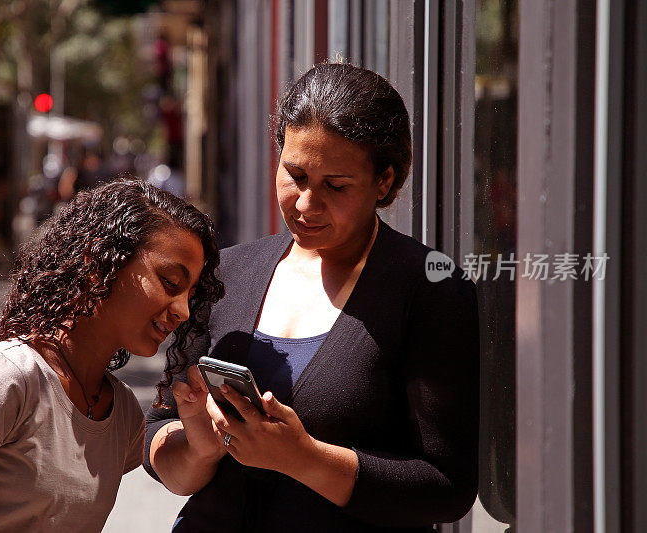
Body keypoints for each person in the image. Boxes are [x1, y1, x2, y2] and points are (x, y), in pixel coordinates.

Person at [144, 62, 480, 532]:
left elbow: (446, 488)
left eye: (335, 186)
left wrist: (303, 458)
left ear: (385, 181)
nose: (305, 203)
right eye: (295, 175)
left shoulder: (429, 291)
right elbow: (159, 436)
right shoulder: (228, 272)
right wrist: (198, 446)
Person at [0, 179, 224, 532]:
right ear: (98, 263)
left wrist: (204, 437)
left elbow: (177, 470)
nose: (183, 311)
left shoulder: (121, 411)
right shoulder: (8, 377)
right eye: (170, 283)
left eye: (190, 295)